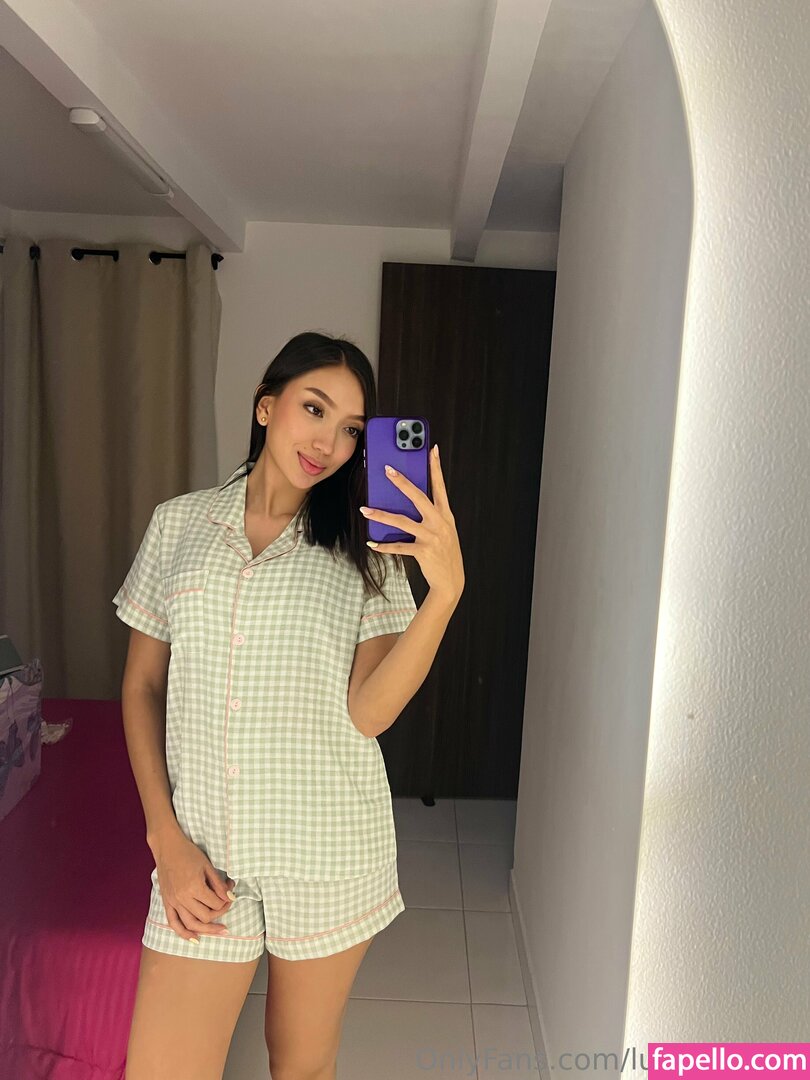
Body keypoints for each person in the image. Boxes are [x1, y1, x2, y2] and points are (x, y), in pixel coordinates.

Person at [113, 331, 465, 1080]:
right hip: (201, 854)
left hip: (326, 852)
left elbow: (369, 714)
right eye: (314, 408)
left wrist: (446, 594)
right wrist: (164, 839)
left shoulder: (367, 551)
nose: (328, 442)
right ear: (265, 406)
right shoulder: (178, 524)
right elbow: (142, 686)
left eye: (350, 429)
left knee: (300, 1066)